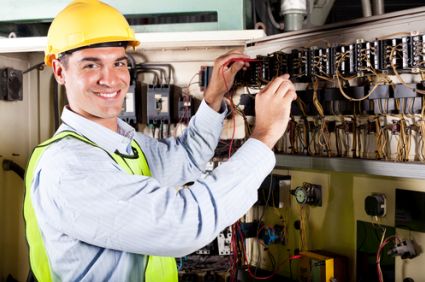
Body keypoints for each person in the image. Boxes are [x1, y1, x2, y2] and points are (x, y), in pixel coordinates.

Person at [24, 0, 297, 281]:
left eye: (119, 63)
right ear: (59, 71)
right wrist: (264, 136)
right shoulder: (71, 167)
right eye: (91, 65)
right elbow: (185, 222)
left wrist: (214, 98)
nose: (111, 79)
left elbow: (186, 157)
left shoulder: (120, 143)